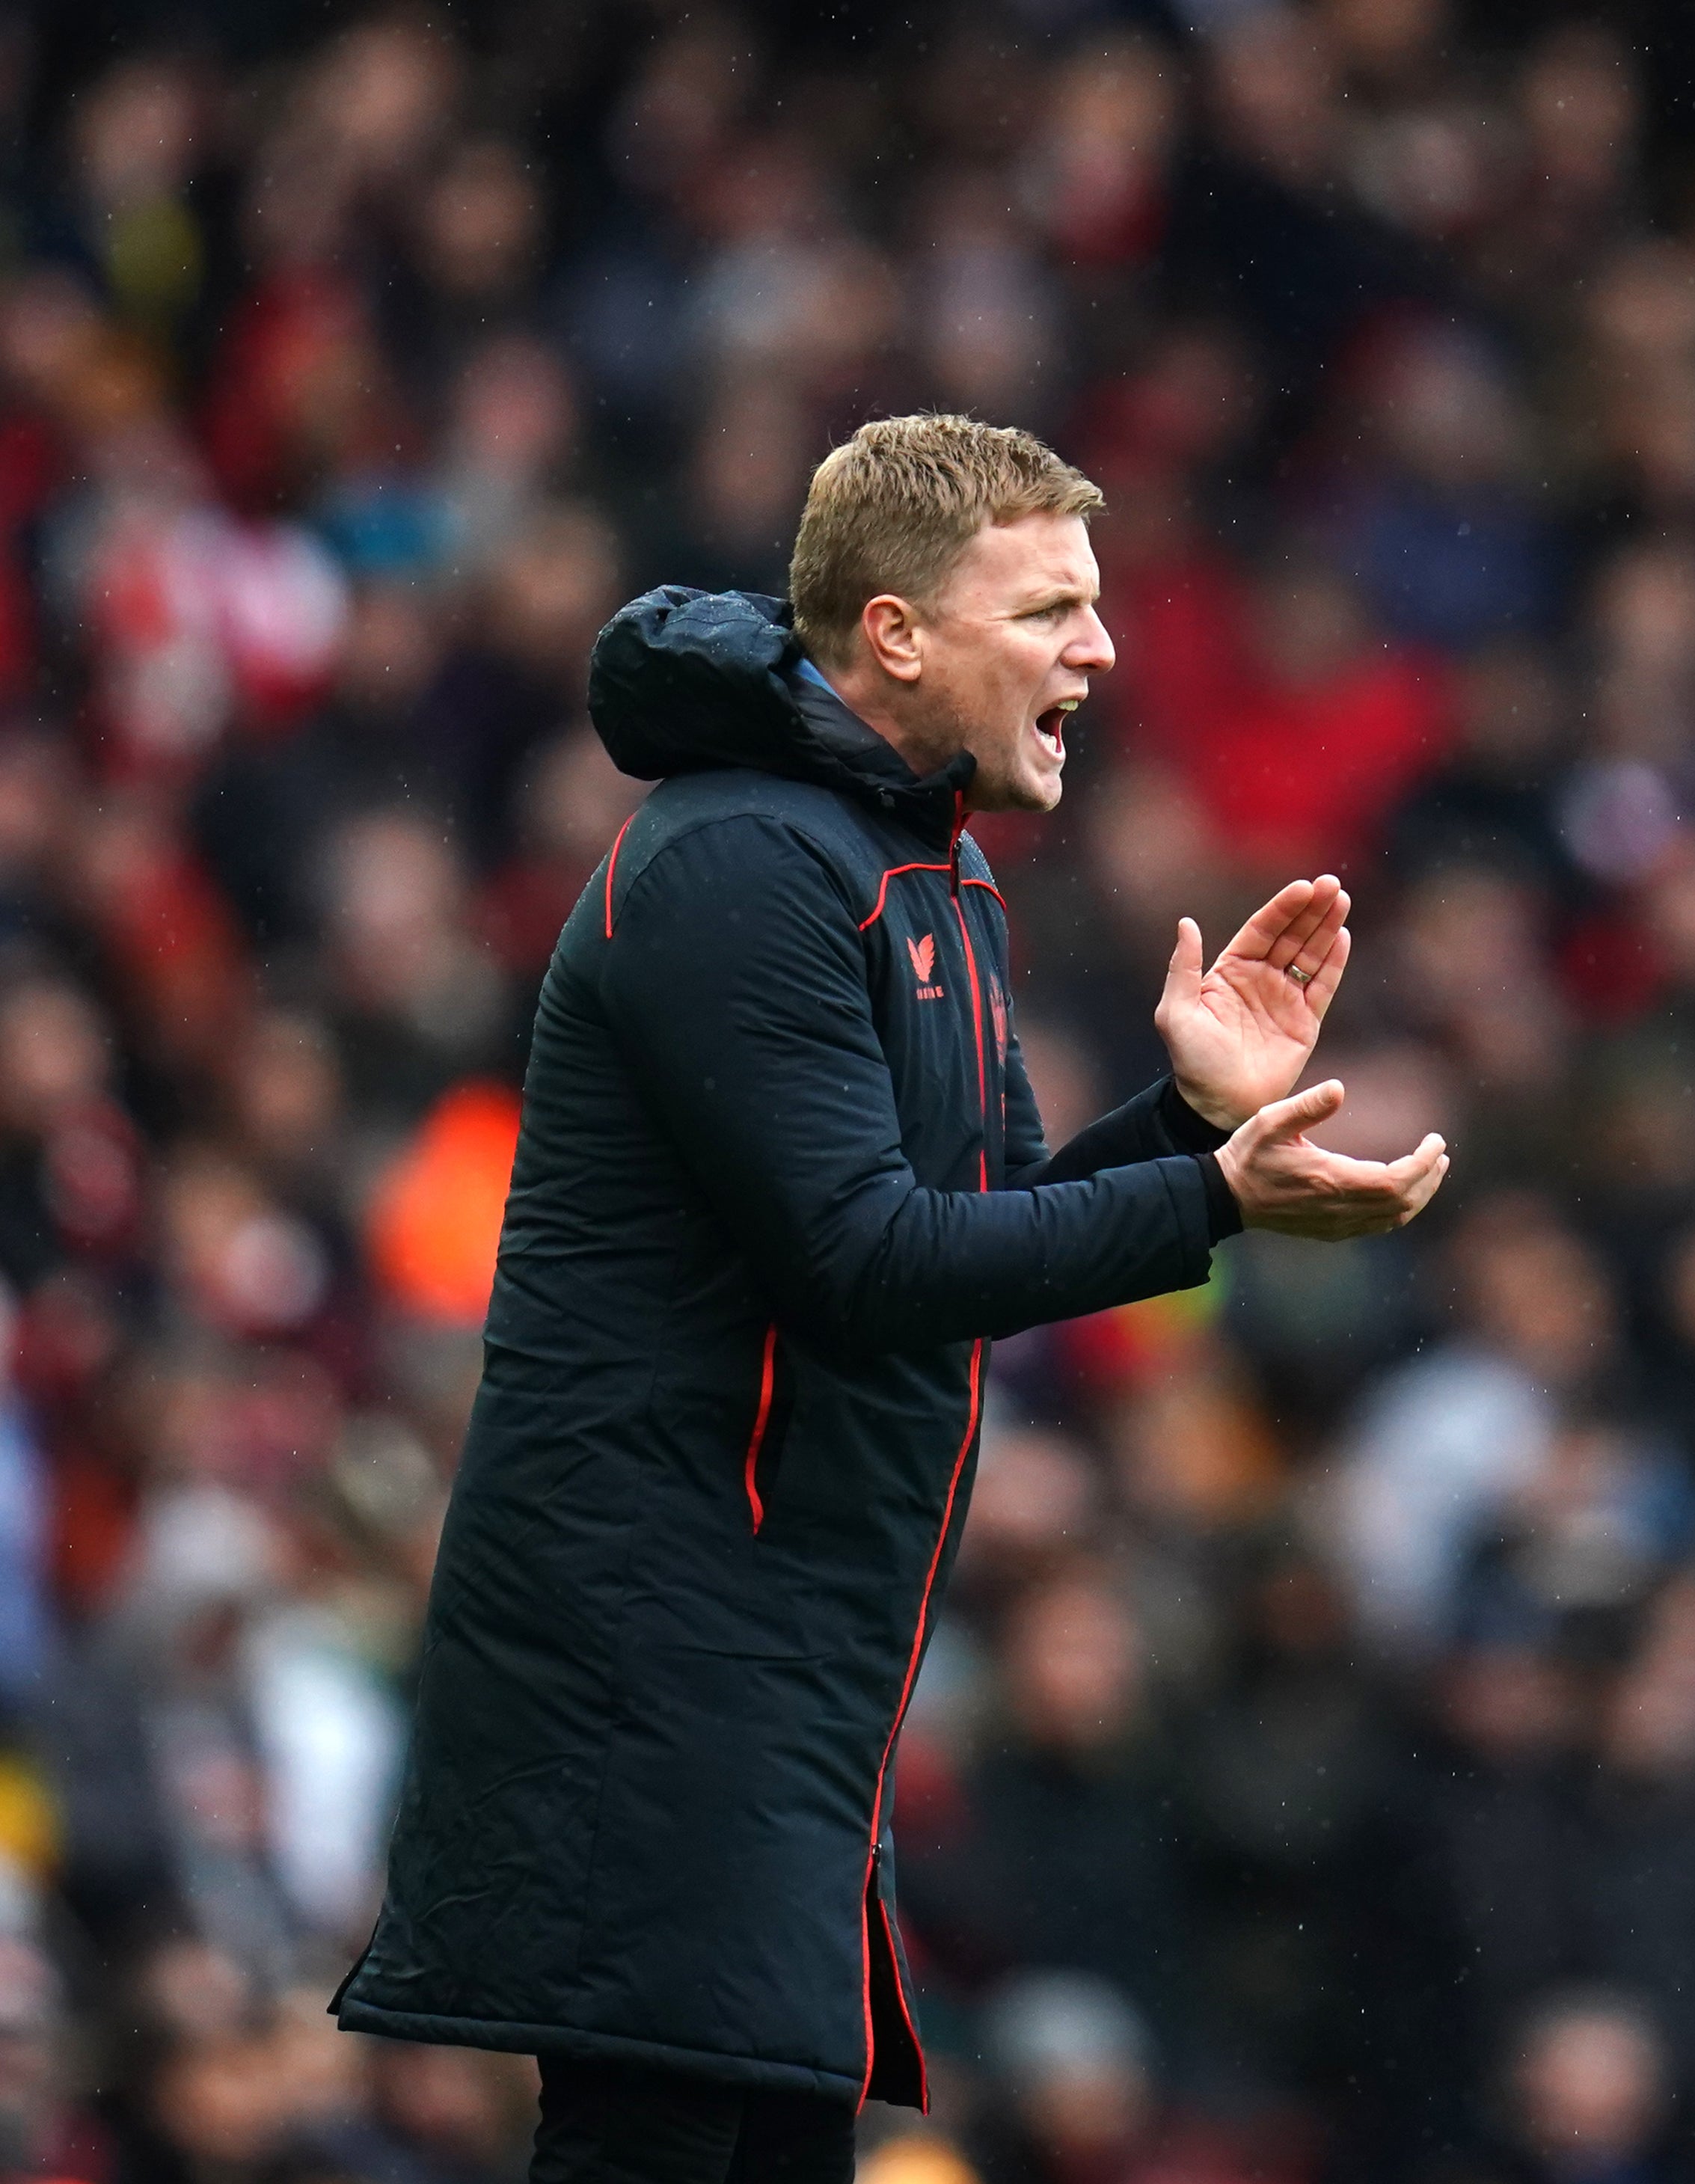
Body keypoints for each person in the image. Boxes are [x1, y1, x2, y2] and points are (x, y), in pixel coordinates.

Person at [330, 415, 1451, 2183]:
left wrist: (1192, 1121)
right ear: (897, 632)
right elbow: (867, 1264)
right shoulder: (740, 865)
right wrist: (1209, 1199)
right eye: (1051, 607)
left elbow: (978, 1233)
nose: (1101, 647)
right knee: (663, 2144)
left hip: (782, 1673)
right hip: (659, 1662)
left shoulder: (933, 874)